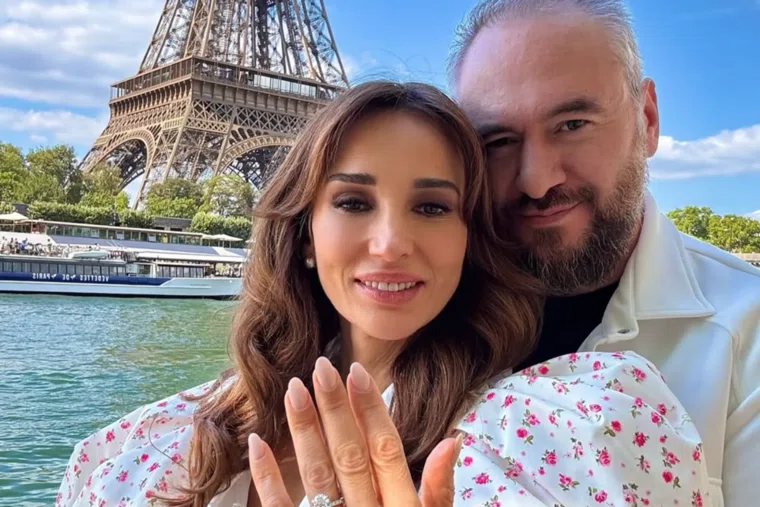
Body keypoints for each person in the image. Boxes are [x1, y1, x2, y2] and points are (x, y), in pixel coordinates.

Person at [56, 82, 710, 507]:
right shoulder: (147, 444)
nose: (391, 243)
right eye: (353, 201)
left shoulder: (556, 438)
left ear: (468, 240)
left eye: (432, 207)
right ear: (304, 232)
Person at [447, 0, 760, 505]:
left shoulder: (750, 335)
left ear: (648, 120)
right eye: (499, 141)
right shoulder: (413, 310)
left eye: (572, 124)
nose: (536, 180)